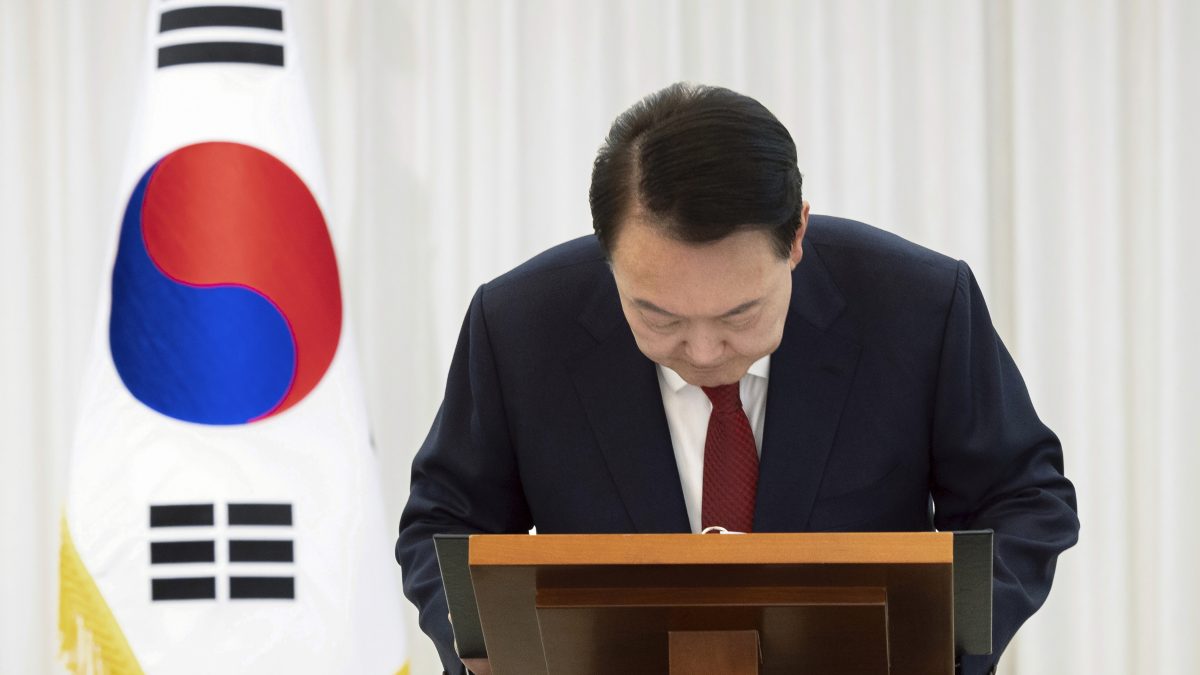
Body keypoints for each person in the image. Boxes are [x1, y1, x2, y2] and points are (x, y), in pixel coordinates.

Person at [396, 83, 1079, 675]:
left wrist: (941, 645)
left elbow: (1022, 497)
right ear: (608, 255)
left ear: (798, 236)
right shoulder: (519, 324)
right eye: (656, 314)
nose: (701, 349)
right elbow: (446, 518)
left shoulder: (919, 306)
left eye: (740, 313)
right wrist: (483, 649)